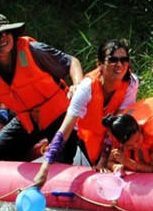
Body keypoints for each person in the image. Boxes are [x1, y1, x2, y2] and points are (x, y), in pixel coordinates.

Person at [0, 13, 83, 161]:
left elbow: (71, 62)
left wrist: (77, 85)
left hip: (59, 117)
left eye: (4, 33)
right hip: (28, 121)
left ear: (12, 34)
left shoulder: (34, 50)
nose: (1, 39)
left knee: (60, 159)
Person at [32, 40, 139, 186]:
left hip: (105, 137)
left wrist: (104, 158)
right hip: (79, 136)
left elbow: (115, 128)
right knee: (63, 159)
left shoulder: (131, 83)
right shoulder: (86, 88)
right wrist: (44, 170)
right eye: (112, 60)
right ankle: (42, 157)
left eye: (124, 59)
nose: (119, 65)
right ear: (100, 64)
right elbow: (64, 131)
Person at [101, 95, 153, 172]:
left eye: (137, 140)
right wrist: (115, 167)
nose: (135, 146)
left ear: (139, 129)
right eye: (129, 145)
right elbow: (110, 162)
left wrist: (129, 163)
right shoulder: (119, 136)